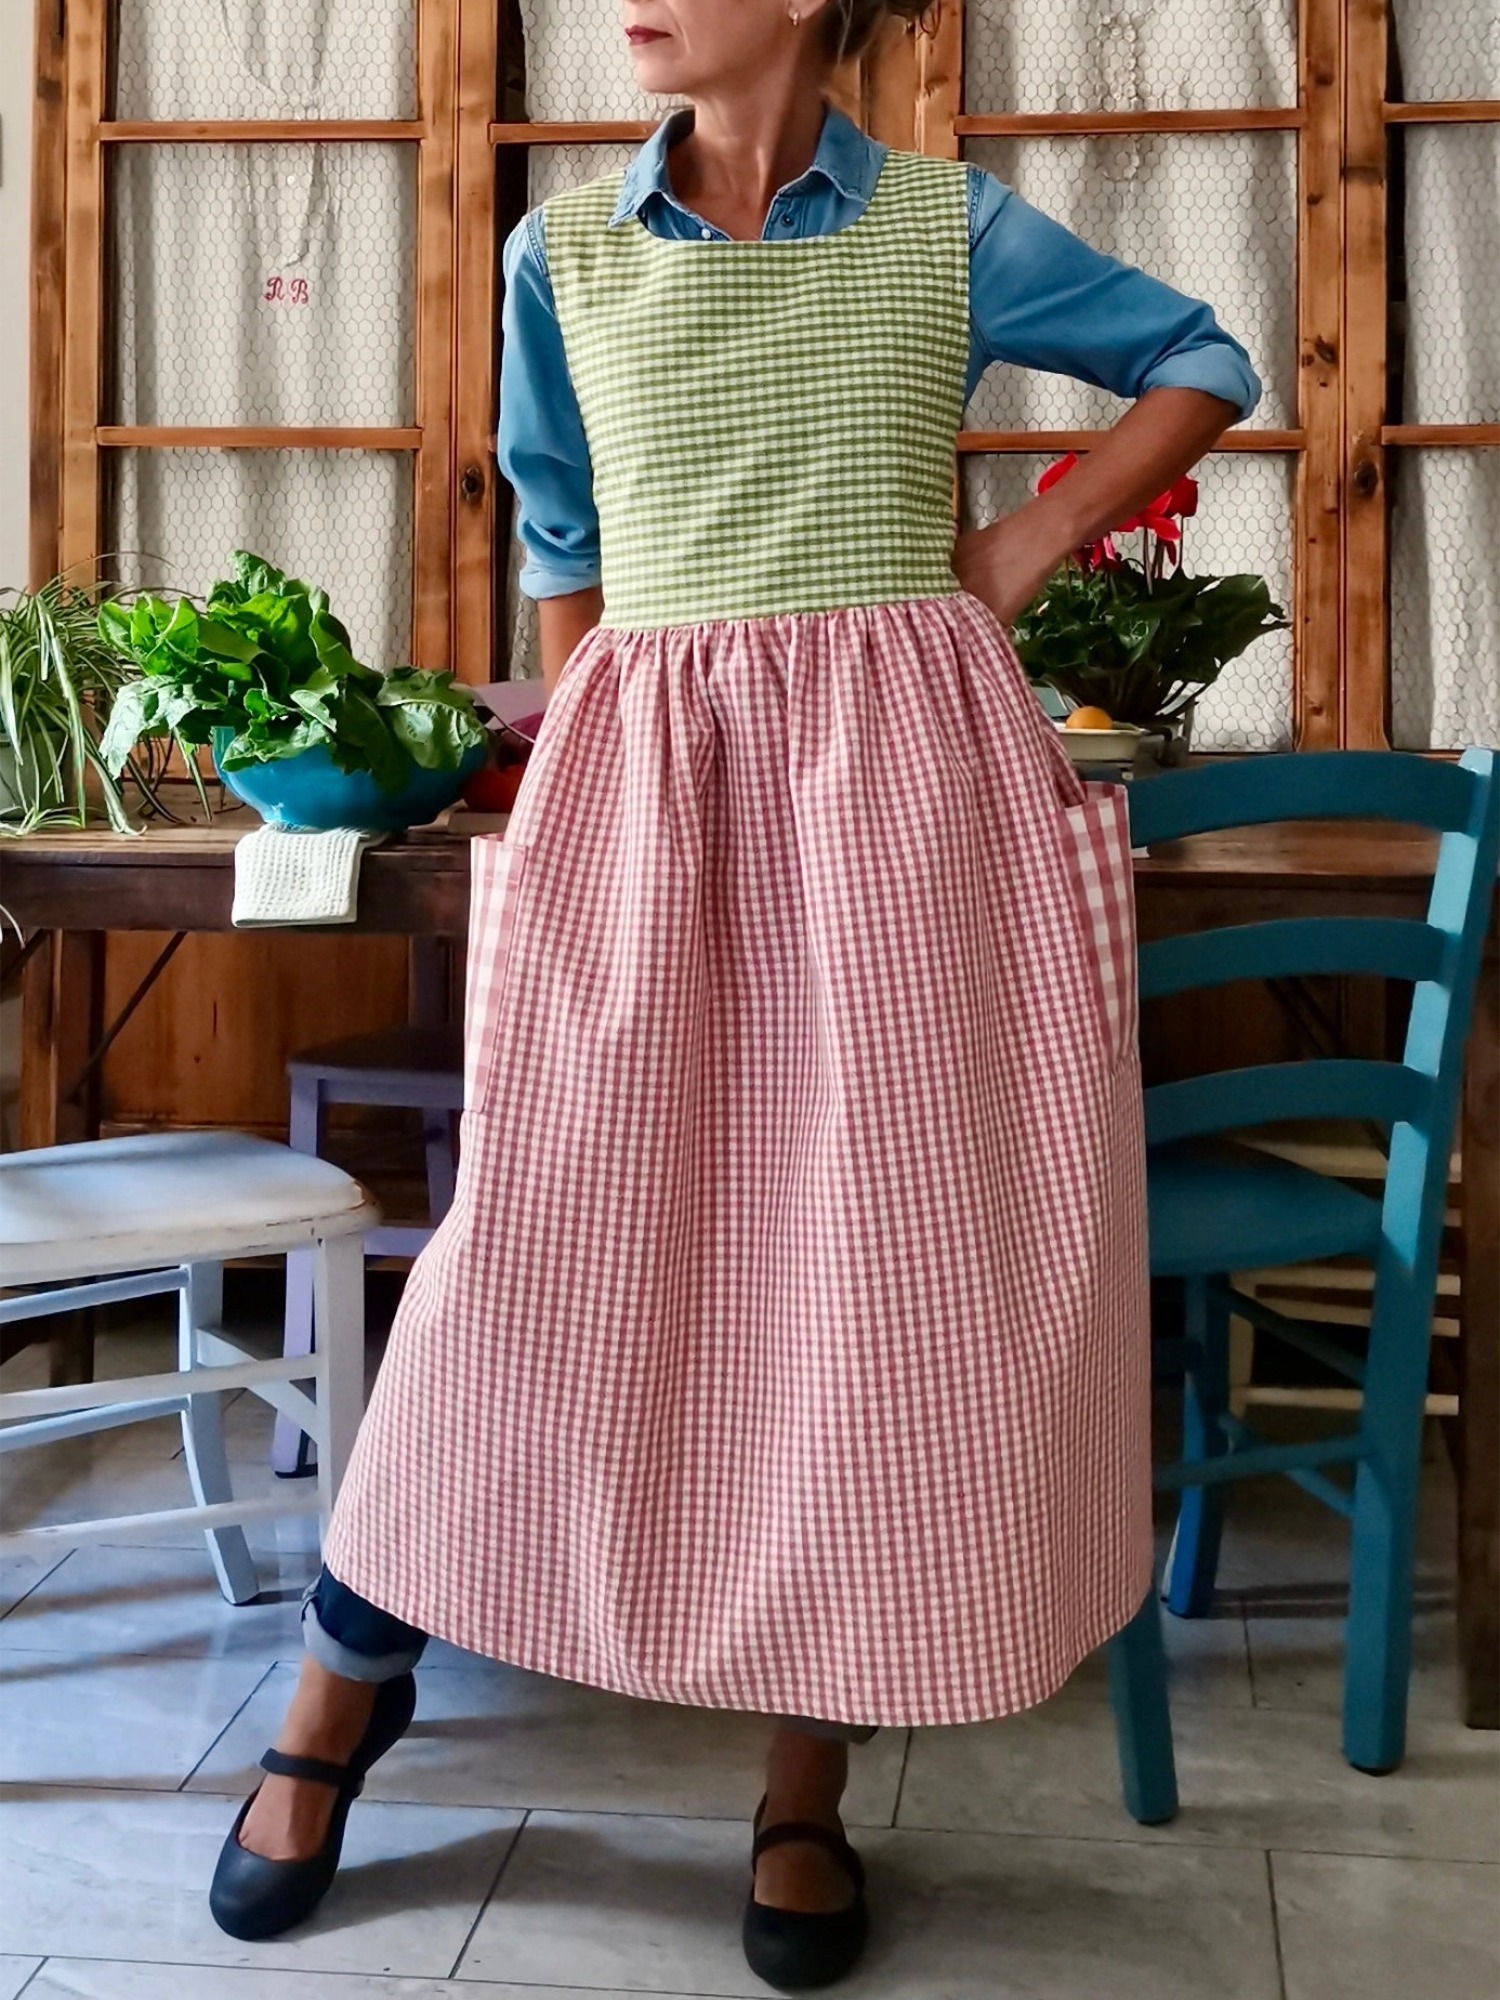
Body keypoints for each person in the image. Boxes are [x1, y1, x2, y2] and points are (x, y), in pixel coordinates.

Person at [211, 1, 1261, 1987]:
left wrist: (1026, 539)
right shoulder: (563, 250)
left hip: (904, 813)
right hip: (650, 807)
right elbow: (563, 537)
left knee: (870, 1281)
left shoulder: (946, 228)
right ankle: (343, 1687)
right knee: (529, 1254)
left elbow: (1205, 356)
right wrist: (599, 765)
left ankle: (805, 1778)